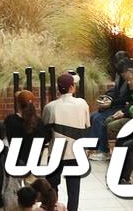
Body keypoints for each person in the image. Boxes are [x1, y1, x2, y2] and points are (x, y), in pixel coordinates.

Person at [42, 71, 90, 211]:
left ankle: (52, 208)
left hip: (57, 150)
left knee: (52, 186)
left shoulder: (50, 107)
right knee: (74, 189)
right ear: (72, 87)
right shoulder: (82, 104)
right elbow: (86, 125)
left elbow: (46, 128)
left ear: (58, 88)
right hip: (76, 151)